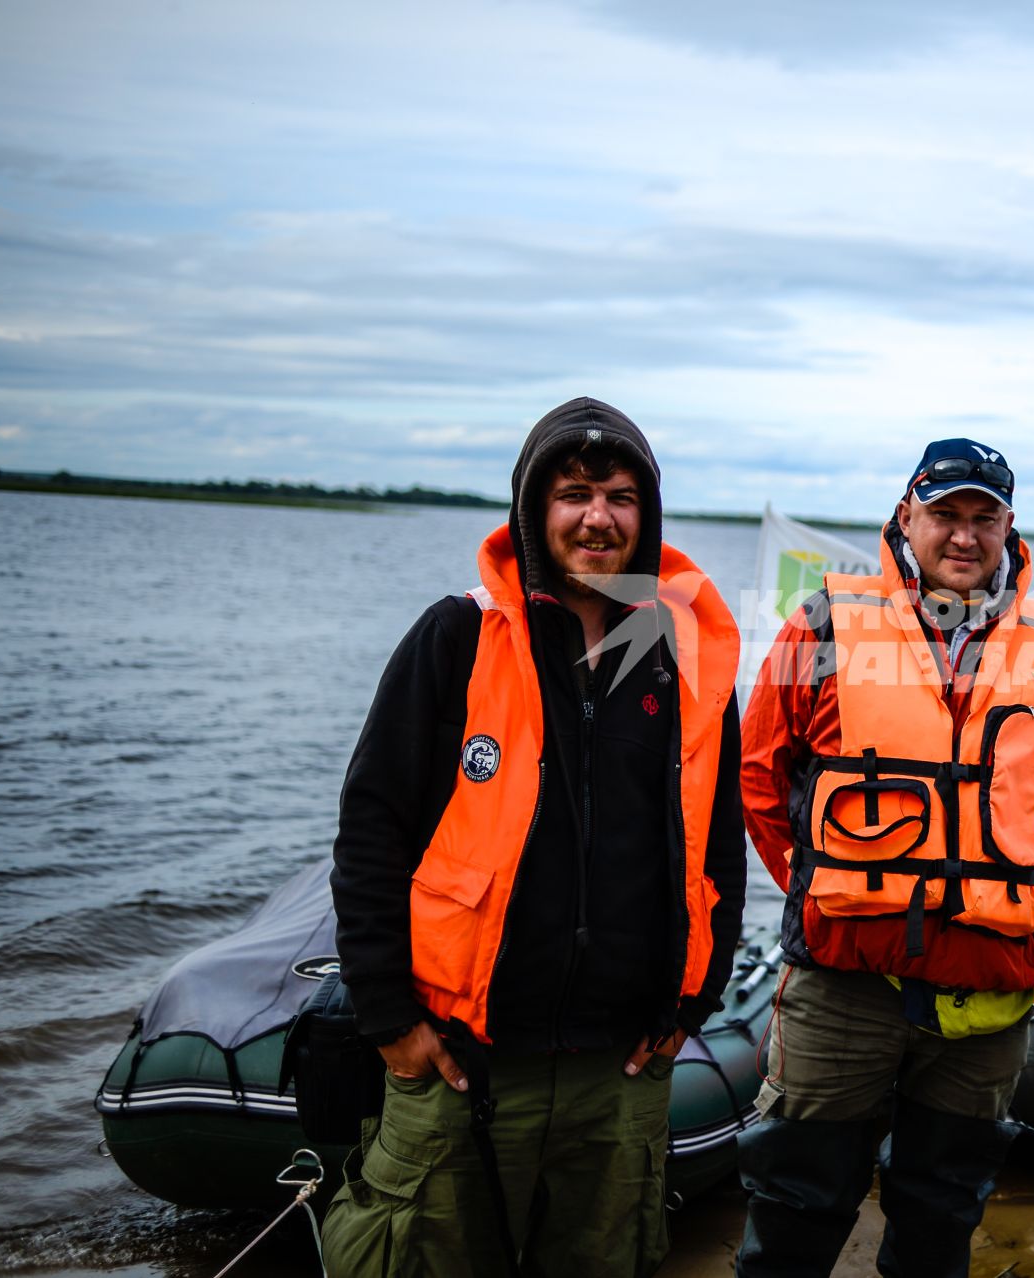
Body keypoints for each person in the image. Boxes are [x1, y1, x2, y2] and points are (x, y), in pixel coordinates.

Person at [320, 397, 746, 1277]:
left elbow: (719, 844)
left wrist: (692, 1008)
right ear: (532, 508)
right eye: (575, 492)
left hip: (619, 1071)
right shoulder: (457, 636)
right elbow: (371, 831)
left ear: (648, 513)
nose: (599, 517)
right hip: (460, 1060)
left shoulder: (686, 659)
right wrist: (389, 1019)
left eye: (622, 495)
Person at [737, 439, 1034, 1276]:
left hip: (984, 982)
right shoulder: (824, 620)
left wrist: (995, 888)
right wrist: (819, 889)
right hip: (843, 975)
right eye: (945, 515)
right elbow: (759, 775)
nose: (963, 537)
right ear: (907, 517)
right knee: (797, 1206)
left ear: (1009, 527)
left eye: (984, 518)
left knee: (942, 1215)